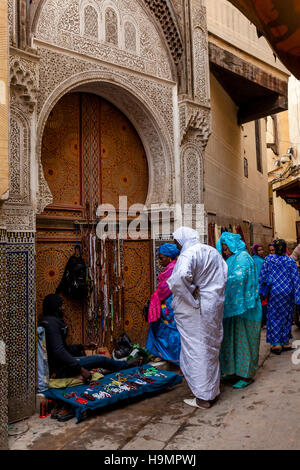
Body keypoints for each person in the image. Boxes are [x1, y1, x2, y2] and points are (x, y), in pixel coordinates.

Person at [40, 294, 141, 420]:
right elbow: (59, 351)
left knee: (96, 361)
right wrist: (80, 369)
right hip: (62, 367)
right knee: (101, 359)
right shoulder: (52, 324)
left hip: (61, 364)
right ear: (56, 307)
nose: (64, 308)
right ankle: (126, 365)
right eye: (61, 305)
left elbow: (63, 349)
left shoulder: (48, 321)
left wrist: (83, 346)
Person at [167, 227, 228, 409]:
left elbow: (178, 280)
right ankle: (211, 390)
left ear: (183, 239)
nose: (176, 244)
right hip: (213, 305)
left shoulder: (188, 255)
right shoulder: (211, 251)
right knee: (210, 346)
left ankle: (203, 397)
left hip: (197, 308)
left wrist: (191, 293)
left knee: (197, 349)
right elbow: (224, 275)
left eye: (176, 241)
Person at [216, 232, 262, 389]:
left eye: (226, 248)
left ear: (233, 245)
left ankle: (246, 375)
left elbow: (239, 278)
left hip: (246, 309)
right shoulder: (231, 259)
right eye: (223, 249)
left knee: (245, 342)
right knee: (231, 340)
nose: (225, 252)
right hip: (233, 309)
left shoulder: (243, 257)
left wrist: (218, 281)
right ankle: (232, 371)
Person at [259, 239, 300, 354]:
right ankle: (285, 342)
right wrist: (298, 297)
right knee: (286, 316)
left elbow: (262, 276)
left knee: (274, 316)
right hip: (288, 293)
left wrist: (261, 289)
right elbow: (296, 279)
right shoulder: (290, 261)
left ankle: (276, 344)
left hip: (274, 293)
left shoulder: (268, 260)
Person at [146, 243, 181, 364]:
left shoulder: (173, 269)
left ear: (169, 257)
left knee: (170, 331)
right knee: (162, 329)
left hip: (170, 307)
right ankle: (164, 354)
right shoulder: (170, 268)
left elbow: (164, 290)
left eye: (161, 258)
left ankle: (174, 358)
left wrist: (156, 296)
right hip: (168, 305)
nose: (159, 261)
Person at [251, 243, 267, 327]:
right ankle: (262, 322)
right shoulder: (257, 260)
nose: (261, 251)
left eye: (262, 249)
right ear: (255, 251)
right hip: (259, 285)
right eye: (259, 250)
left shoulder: (261, 259)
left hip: (260, 285)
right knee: (262, 303)